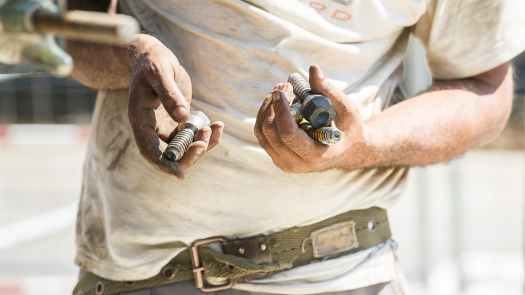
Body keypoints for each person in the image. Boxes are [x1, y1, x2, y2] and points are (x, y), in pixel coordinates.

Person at [68, 0, 525, 294]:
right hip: (149, 273)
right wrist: (131, 56)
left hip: (343, 274)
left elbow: (485, 87)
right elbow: (69, 32)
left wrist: (362, 146)